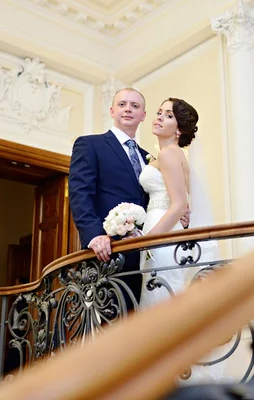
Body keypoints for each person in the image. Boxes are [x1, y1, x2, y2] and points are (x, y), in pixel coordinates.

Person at [68, 88, 189, 312]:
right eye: (122, 104)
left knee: (142, 319)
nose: (128, 109)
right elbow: (80, 193)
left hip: (144, 254)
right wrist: (94, 235)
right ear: (112, 110)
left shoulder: (150, 157)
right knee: (112, 328)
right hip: (108, 254)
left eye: (135, 106)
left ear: (143, 115)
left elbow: (169, 195)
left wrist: (181, 208)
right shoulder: (90, 144)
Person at [139, 97, 227, 384]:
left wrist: (146, 241)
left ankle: (166, 379)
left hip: (161, 235)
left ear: (179, 129)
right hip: (166, 230)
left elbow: (177, 205)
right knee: (163, 296)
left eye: (168, 115)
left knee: (160, 298)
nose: (158, 118)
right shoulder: (170, 154)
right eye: (159, 112)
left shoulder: (168, 155)